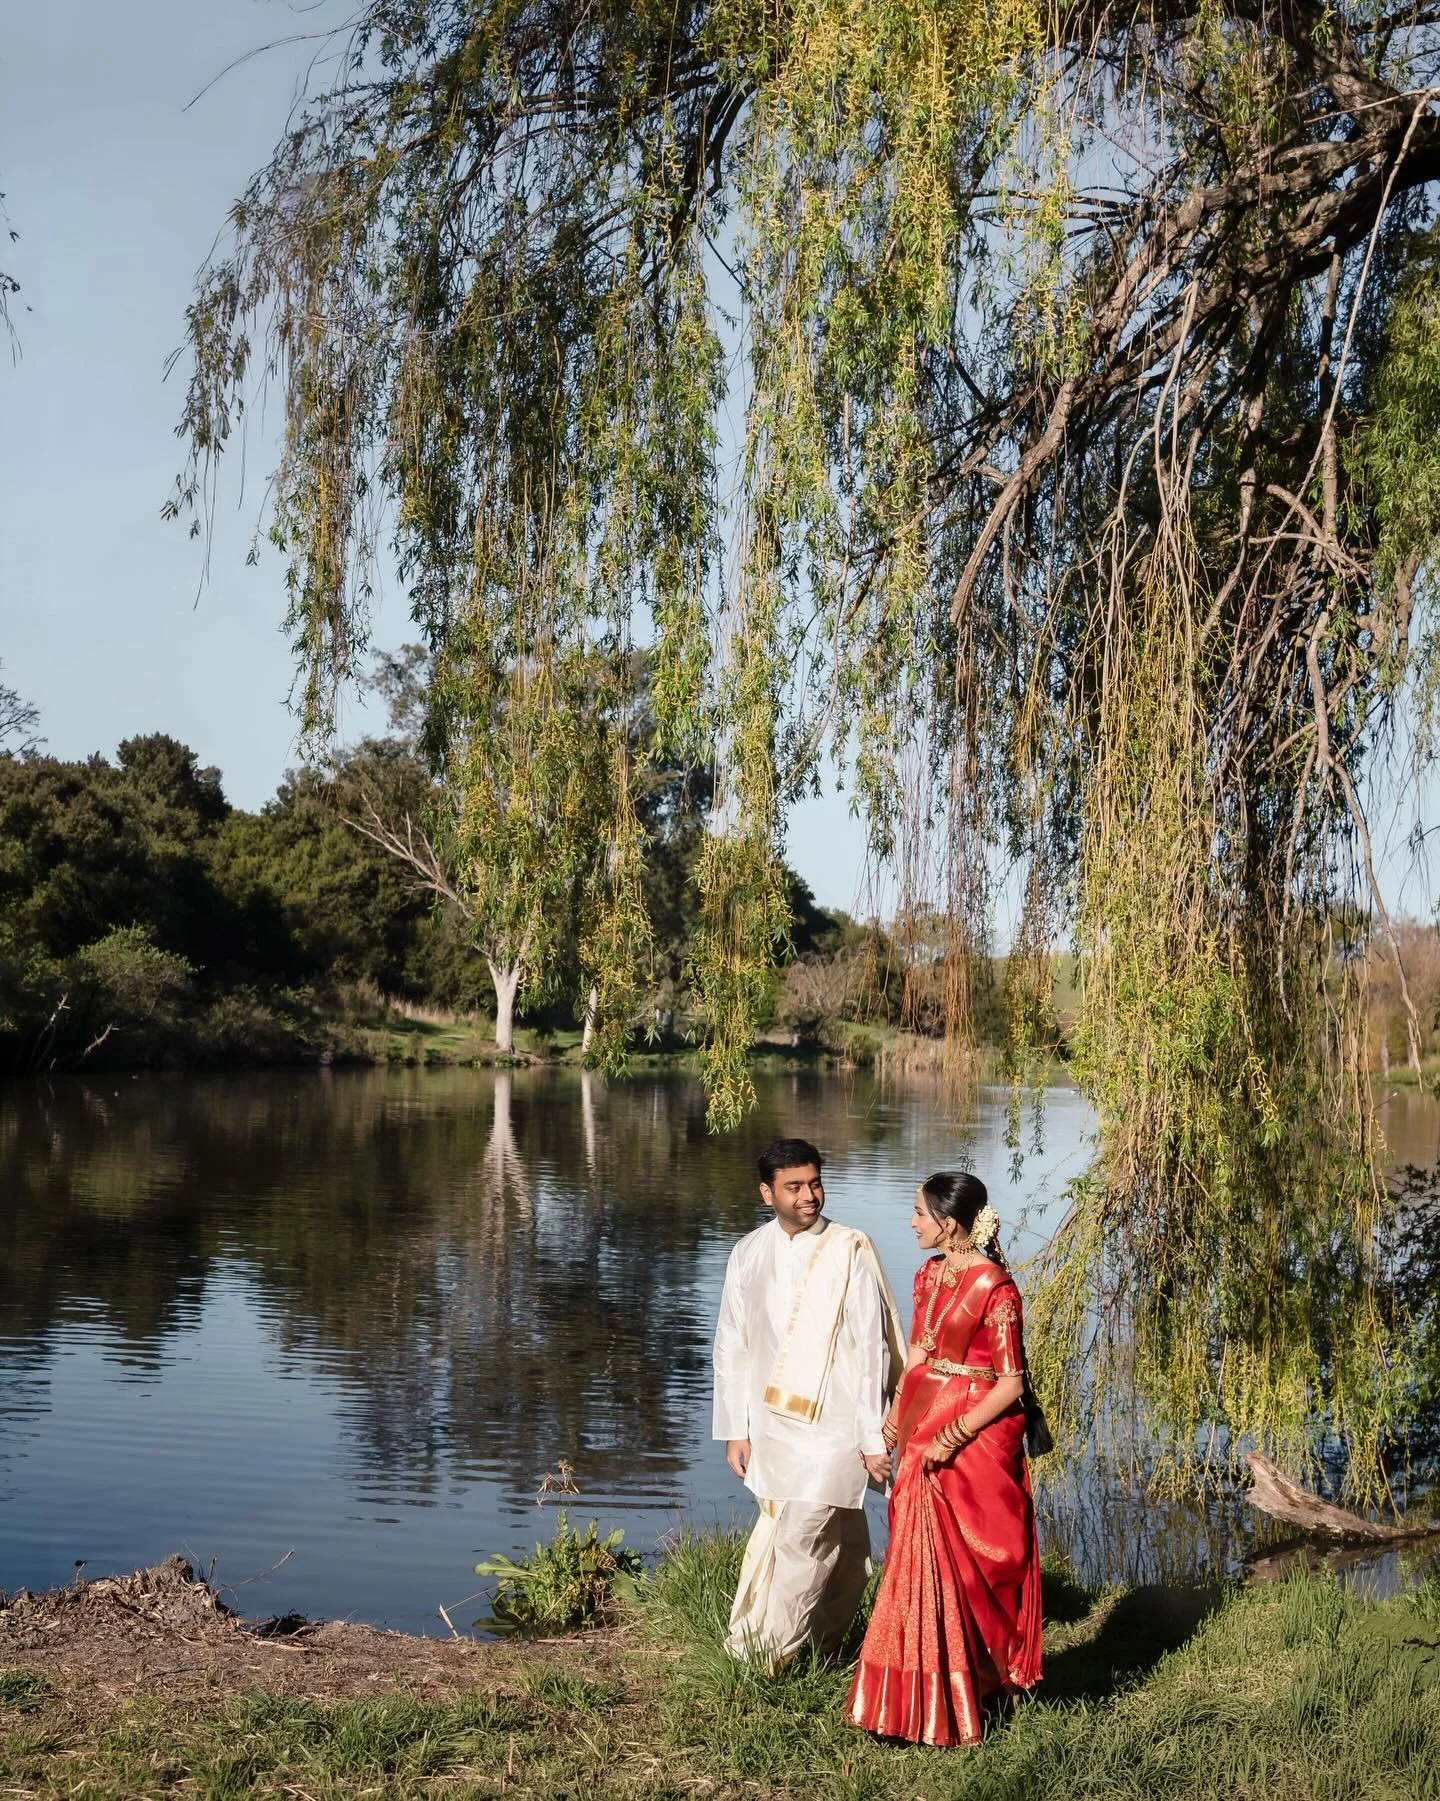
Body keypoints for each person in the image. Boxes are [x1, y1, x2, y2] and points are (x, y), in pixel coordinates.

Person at [846, 1171, 1041, 1747]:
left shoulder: (997, 1288)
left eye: (918, 1213)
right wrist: (896, 1413)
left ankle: (983, 1681)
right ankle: (914, 1696)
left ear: (948, 1223)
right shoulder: (929, 1274)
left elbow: (1011, 1385)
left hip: (978, 1427)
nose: (910, 1222)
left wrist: (952, 1435)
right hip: (926, 1417)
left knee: (981, 1559)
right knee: (915, 1551)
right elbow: (920, 1350)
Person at [713, 1136, 906, 1669]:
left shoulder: (850, 1249)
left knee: (803, 1537)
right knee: (842, 1549)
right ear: (765, 1193)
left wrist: (873, 1438)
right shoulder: (748, 1251)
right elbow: (732, 1341)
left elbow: (870, 1348)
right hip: (772, 1427)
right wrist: (735, 1428)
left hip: (836, 1428)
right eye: (794, 1186)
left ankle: (763, 1659)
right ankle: (826, 1642)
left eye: (815, 1183)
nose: (809, 1196)